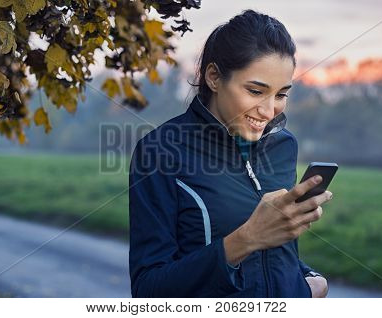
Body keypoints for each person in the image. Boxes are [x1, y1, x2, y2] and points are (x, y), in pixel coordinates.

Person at [128, 9, 332, 298]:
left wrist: (308, 282)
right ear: (213, 77)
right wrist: (245, 240)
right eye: (255, 91)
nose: (269, 109)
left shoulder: (284, 146)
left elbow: (273, 257)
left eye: (281, 94)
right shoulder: (160, 151)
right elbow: (148, 290)